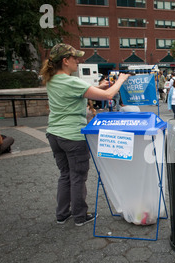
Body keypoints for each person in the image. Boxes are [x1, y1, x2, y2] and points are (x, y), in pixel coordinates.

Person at [40, 43, 130, 226]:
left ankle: (62, 214)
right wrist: (121, 80)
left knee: (65, 174)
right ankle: (80, 216)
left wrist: (99, 86)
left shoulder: (51, 80)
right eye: (75, 58)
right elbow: (107, 97)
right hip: (73, 135)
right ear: (65, 61)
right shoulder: (71, 82)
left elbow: (76, 94)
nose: (78, 61)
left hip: (54, 134)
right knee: (78, 176)